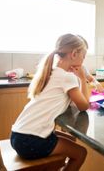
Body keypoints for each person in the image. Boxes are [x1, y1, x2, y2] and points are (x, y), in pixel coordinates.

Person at [11, 33, 90, 170]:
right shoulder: (67, 78)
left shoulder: (50, 71)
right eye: (83, 56)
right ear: (74, 54)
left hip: (18, 135)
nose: (84, 60)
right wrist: (82, 79)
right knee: (81, 153)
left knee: (71, 140)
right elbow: (83, 106)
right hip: (31, 140)